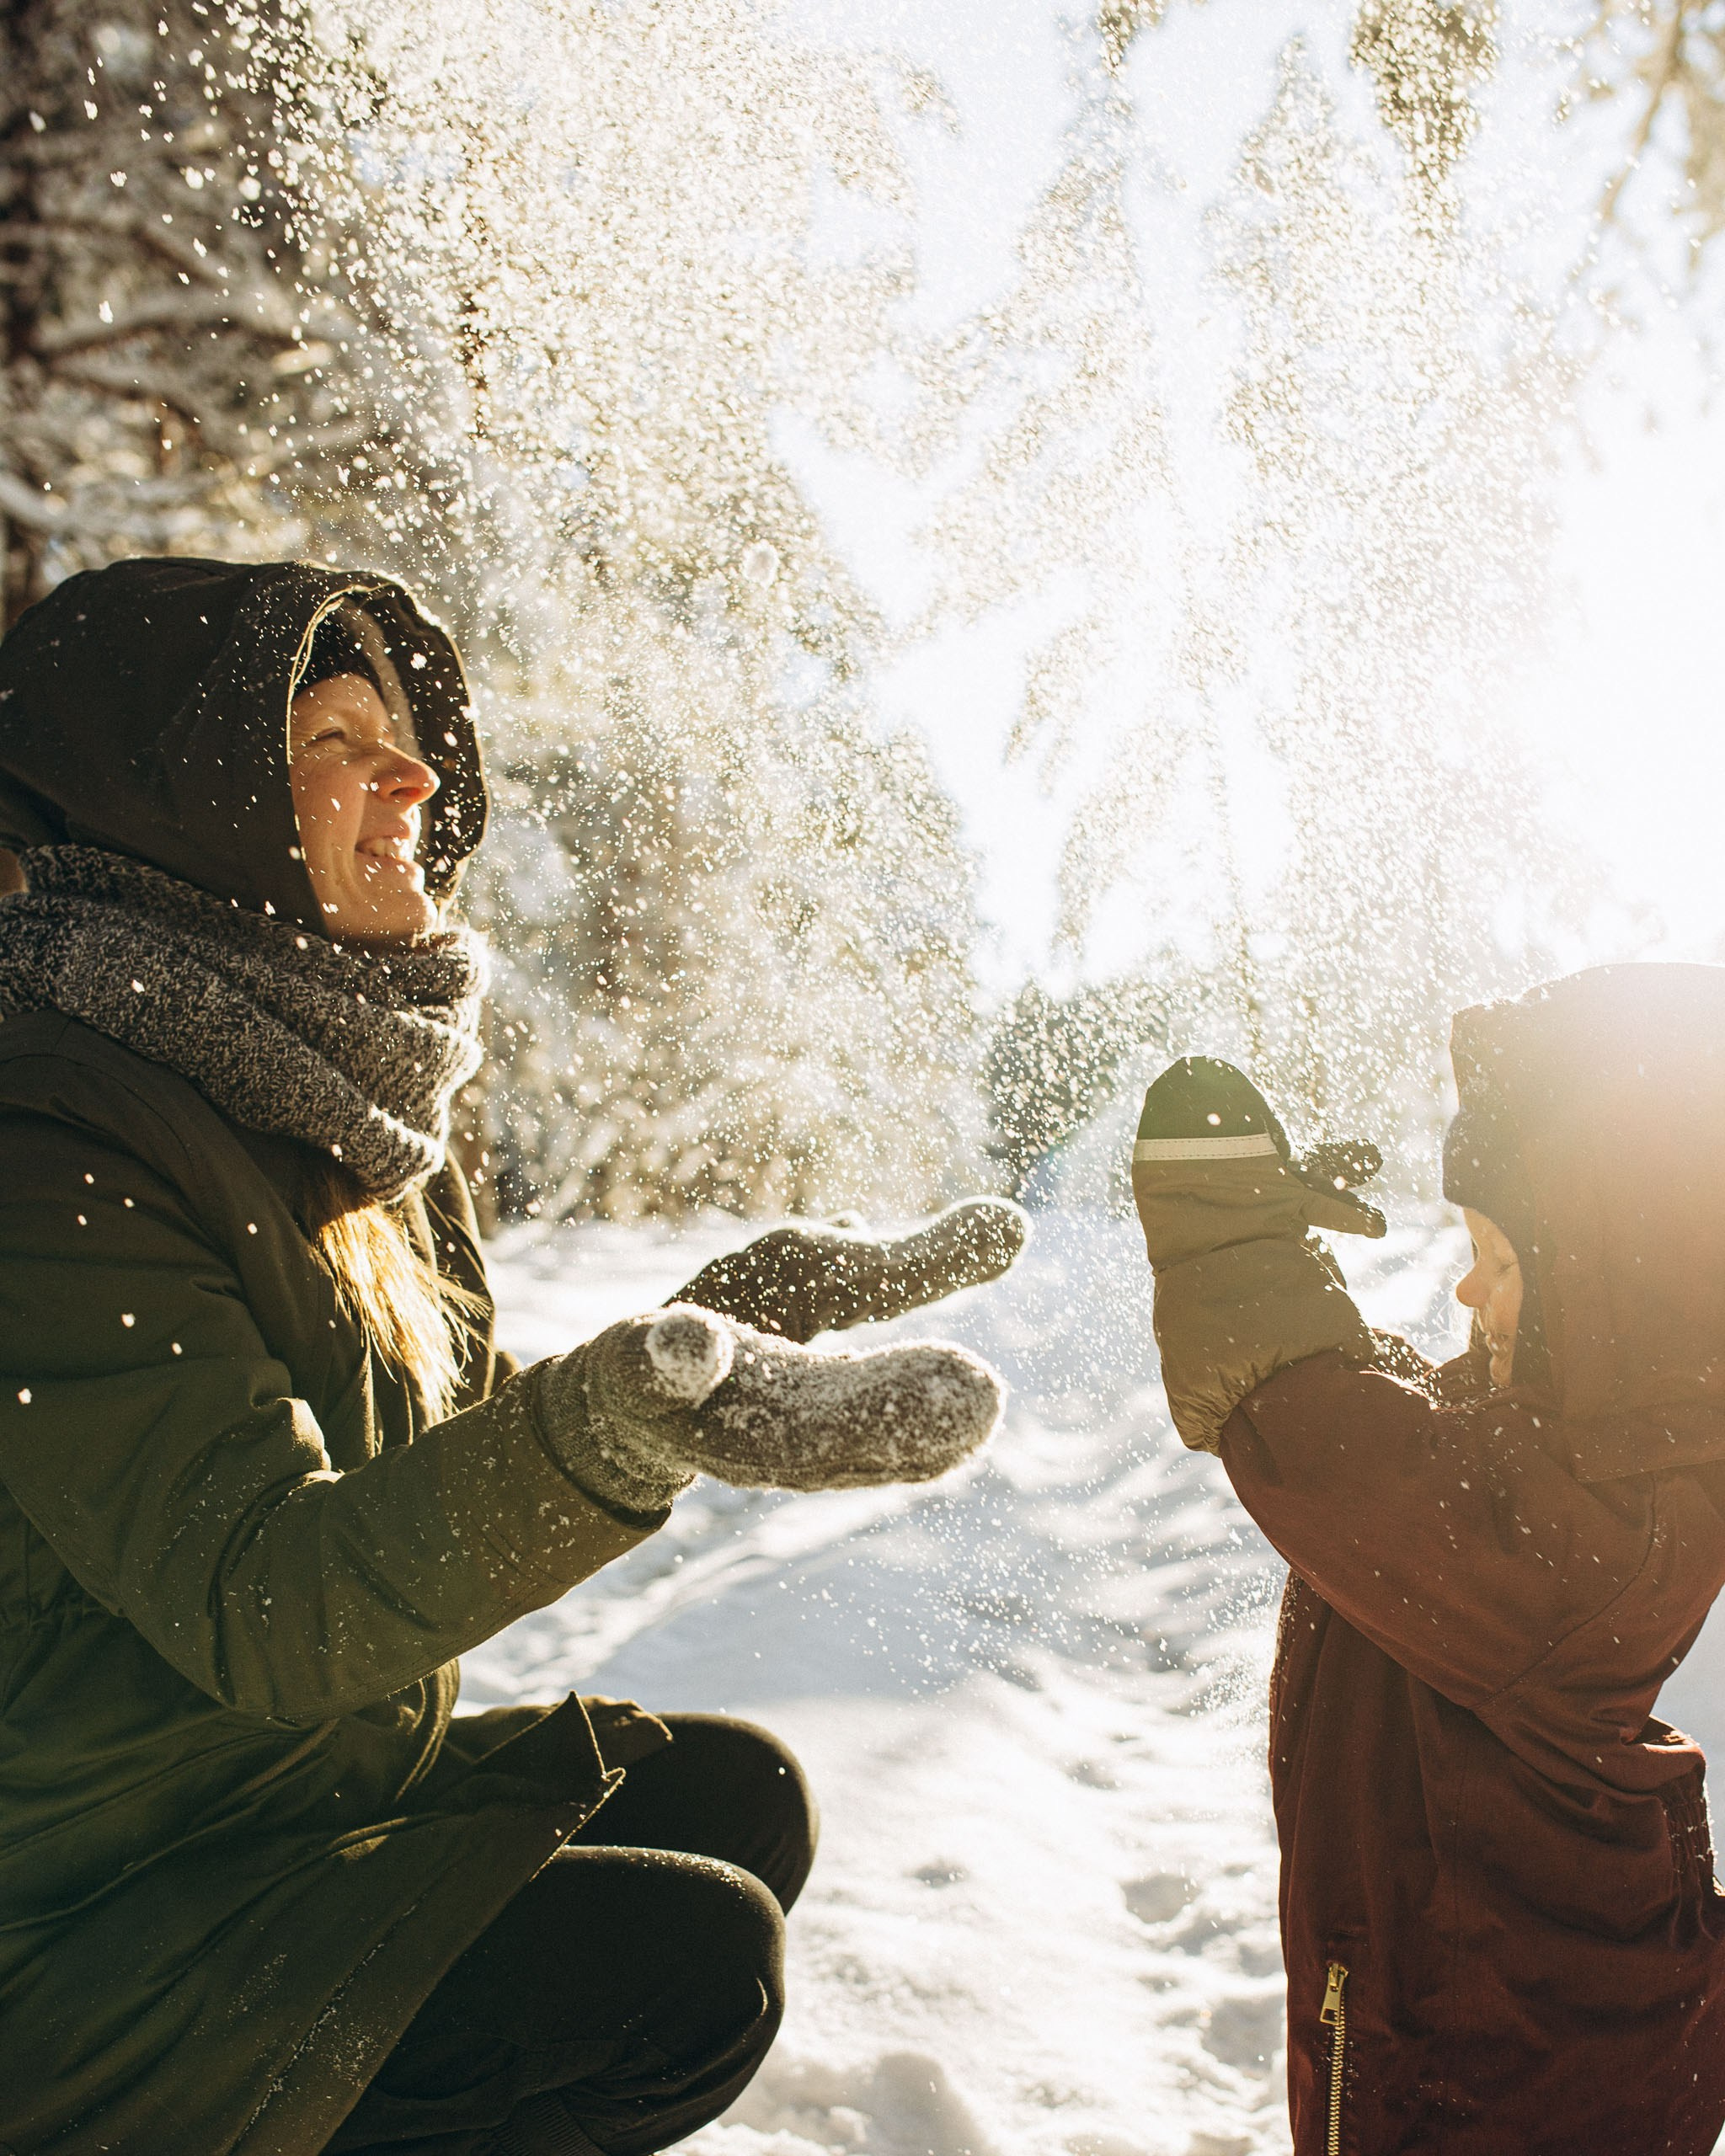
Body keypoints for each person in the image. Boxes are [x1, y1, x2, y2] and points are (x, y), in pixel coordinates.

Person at [0, 556, 1028, 2156]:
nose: (410, 780)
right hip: (84, 1914)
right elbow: (275, 1602)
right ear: (179, 813)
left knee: (734, 1800)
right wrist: (620, 1425)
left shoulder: (316, 1111)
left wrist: (709, 1327)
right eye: (329, 742)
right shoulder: (52, 1138)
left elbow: (439, 1455)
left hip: (272, 1795)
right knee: (679, 1971)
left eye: (401, 740)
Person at [1131, 969, 1725, 2156]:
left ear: (1615, 1294)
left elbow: (1336, 1449)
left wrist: (1231, 1245)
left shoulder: (1600, 1536)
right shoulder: (1594, 1455)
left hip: (1488, 2079)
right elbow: (1422, 1433)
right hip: (1522, 2036)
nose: (1466, 1289)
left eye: (1501, 1261)